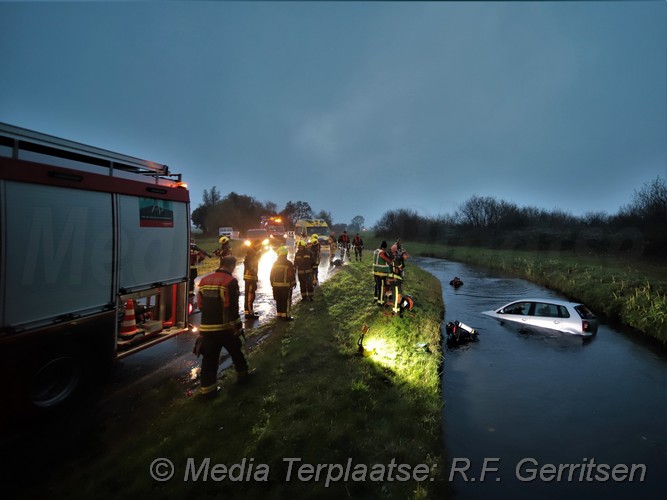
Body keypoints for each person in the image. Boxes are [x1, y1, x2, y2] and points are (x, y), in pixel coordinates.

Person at [197, 255, 250, 395]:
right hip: (225, 328)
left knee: (209, 359)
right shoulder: (230, 281)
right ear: (232, 266)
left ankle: (208, 391)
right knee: (237, 352)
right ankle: (244, 377)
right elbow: (231, 307)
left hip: (207, 328)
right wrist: (238, 326)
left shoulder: (204, 281)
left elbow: (200, 305)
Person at [270, 246, 296, 320]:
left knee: (278, 300)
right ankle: (286, 316)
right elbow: (291, 274)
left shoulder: (275, 263)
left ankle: (279, 314)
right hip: (285, 286)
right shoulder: (288, 263)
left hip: (276, 286)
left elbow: (271, 275)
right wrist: (293, 283)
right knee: (285, 300)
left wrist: (272, 284)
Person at [243, 240, 262, 319]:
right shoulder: (251, 254)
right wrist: (252, 268)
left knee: (250, 294)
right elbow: (247, 264)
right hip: (250, 277)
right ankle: (249, 313)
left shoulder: (252, 253)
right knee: (250, 295)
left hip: (251, 277)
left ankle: (249, 311)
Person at [372, 241, 392, 306]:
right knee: (381, 287)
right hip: (382, 273)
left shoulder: (376, 251)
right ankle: (380, 302)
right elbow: (388, 260)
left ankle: (375, 298)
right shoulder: (382, 252)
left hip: (375, 271)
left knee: (376, 285)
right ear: (385, 247)